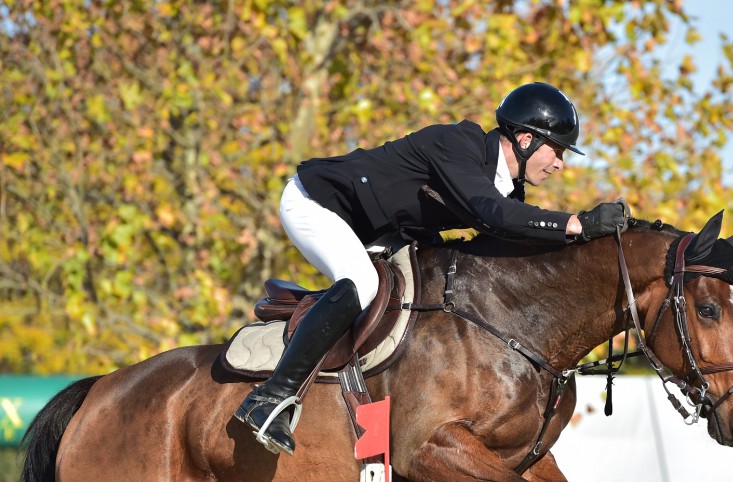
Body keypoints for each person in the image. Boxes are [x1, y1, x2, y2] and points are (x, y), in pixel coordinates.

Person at [234, 82, 629, 456]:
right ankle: (269, 398)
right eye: (558, 151)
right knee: (363, 283)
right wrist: (574, 223)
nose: (559, 164)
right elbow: (492, 214)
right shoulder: (457, 144)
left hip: (378, 229)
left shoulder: (508, 188)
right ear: (527, 140)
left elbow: (511, 237)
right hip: (317, 205)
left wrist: (587, 242)